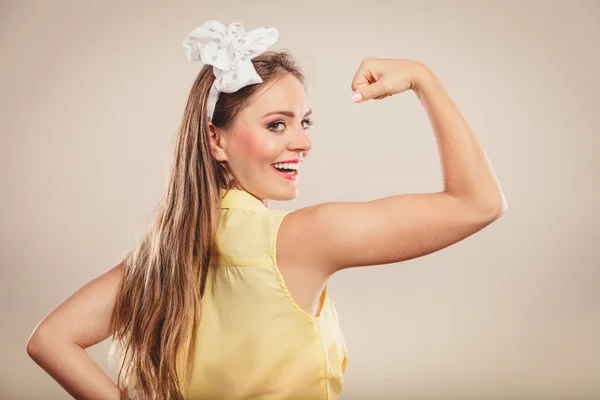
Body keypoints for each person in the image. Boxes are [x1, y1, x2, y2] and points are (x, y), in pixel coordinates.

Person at [26, 20, 507, 400]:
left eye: (304, 122)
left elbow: (50, 339)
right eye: (277, 124)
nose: (302, 141)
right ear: (216, 140)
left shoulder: (164, 254)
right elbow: (477, 203)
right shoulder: (306, 237)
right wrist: (422, 78)